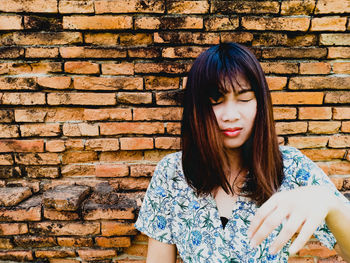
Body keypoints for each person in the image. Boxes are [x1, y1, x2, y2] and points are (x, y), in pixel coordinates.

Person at [135, 42, 350, 262]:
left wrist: (330, 203)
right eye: (215, 101)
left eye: (244, 98)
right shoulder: (172, 173)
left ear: (260, 103)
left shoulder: (292, 167)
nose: (231, 115)